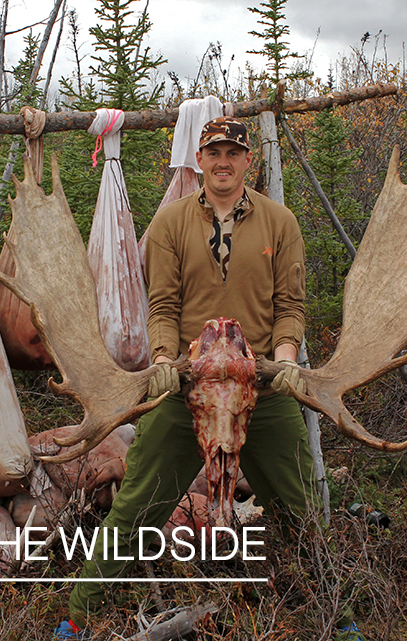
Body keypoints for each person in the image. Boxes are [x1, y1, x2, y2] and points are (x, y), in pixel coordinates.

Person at [56, 117, 319, 639]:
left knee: (302, 507)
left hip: (260, 392)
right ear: (199, 159)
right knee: (136, 509)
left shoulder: (280, 223)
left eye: (233, 153)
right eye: (213, 152)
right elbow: (162, 306)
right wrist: (160, 359)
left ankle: (339, 614)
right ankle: (76, 619)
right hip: (186, 392)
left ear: (250, 160)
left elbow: (290, 307)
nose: (223, 162)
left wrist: (286, 358)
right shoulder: (173, 223)